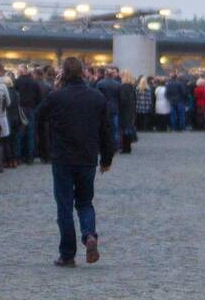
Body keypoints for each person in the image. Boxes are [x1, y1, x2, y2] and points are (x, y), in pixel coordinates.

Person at [37, 56, 114, 268]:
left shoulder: (56, 97)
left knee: (64, 206)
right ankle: (89, 235)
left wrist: (44, 150)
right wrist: (106, 158)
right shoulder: (97, 97)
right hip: (87, 157)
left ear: (63, 73)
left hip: (62, 157)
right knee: (85, 202)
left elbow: (38, 117)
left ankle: (67, 254)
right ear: (83, 72)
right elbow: (107, 130)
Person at [14, 65, 43, 165]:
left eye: (18, 71)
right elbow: (39, 97)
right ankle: (30, 157)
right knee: (30, 133)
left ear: (21, 72)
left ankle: (19, 156)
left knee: (19, 133)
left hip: (20, 109)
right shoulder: (34, 82)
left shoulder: (17, 82)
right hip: (31, 109)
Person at [118, 71, 137, 153]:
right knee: (128, 128)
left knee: (124, 129)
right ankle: (128, 147)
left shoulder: (123, 87)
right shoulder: (131, 87)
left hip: (124, 110)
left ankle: (125, 147)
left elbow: (123, 100)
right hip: (131, 109)